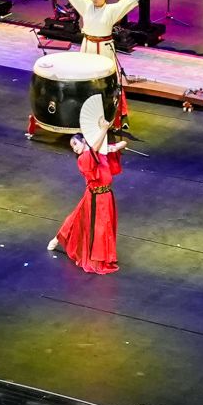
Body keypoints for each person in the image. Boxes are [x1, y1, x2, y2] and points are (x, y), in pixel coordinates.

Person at [47, 95, 124, 274]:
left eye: (75, 143)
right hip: (96, 197)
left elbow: (118, 145)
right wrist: (103, 130)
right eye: (72, 146)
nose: (74, 147)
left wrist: (114, 146)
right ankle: (94, 256)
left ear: (84, 140)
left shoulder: (98, 153)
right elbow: (94, 150)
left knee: (79, 219)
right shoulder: (84, 159)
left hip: (106, 195)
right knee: (97, 227)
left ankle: (58, 238)